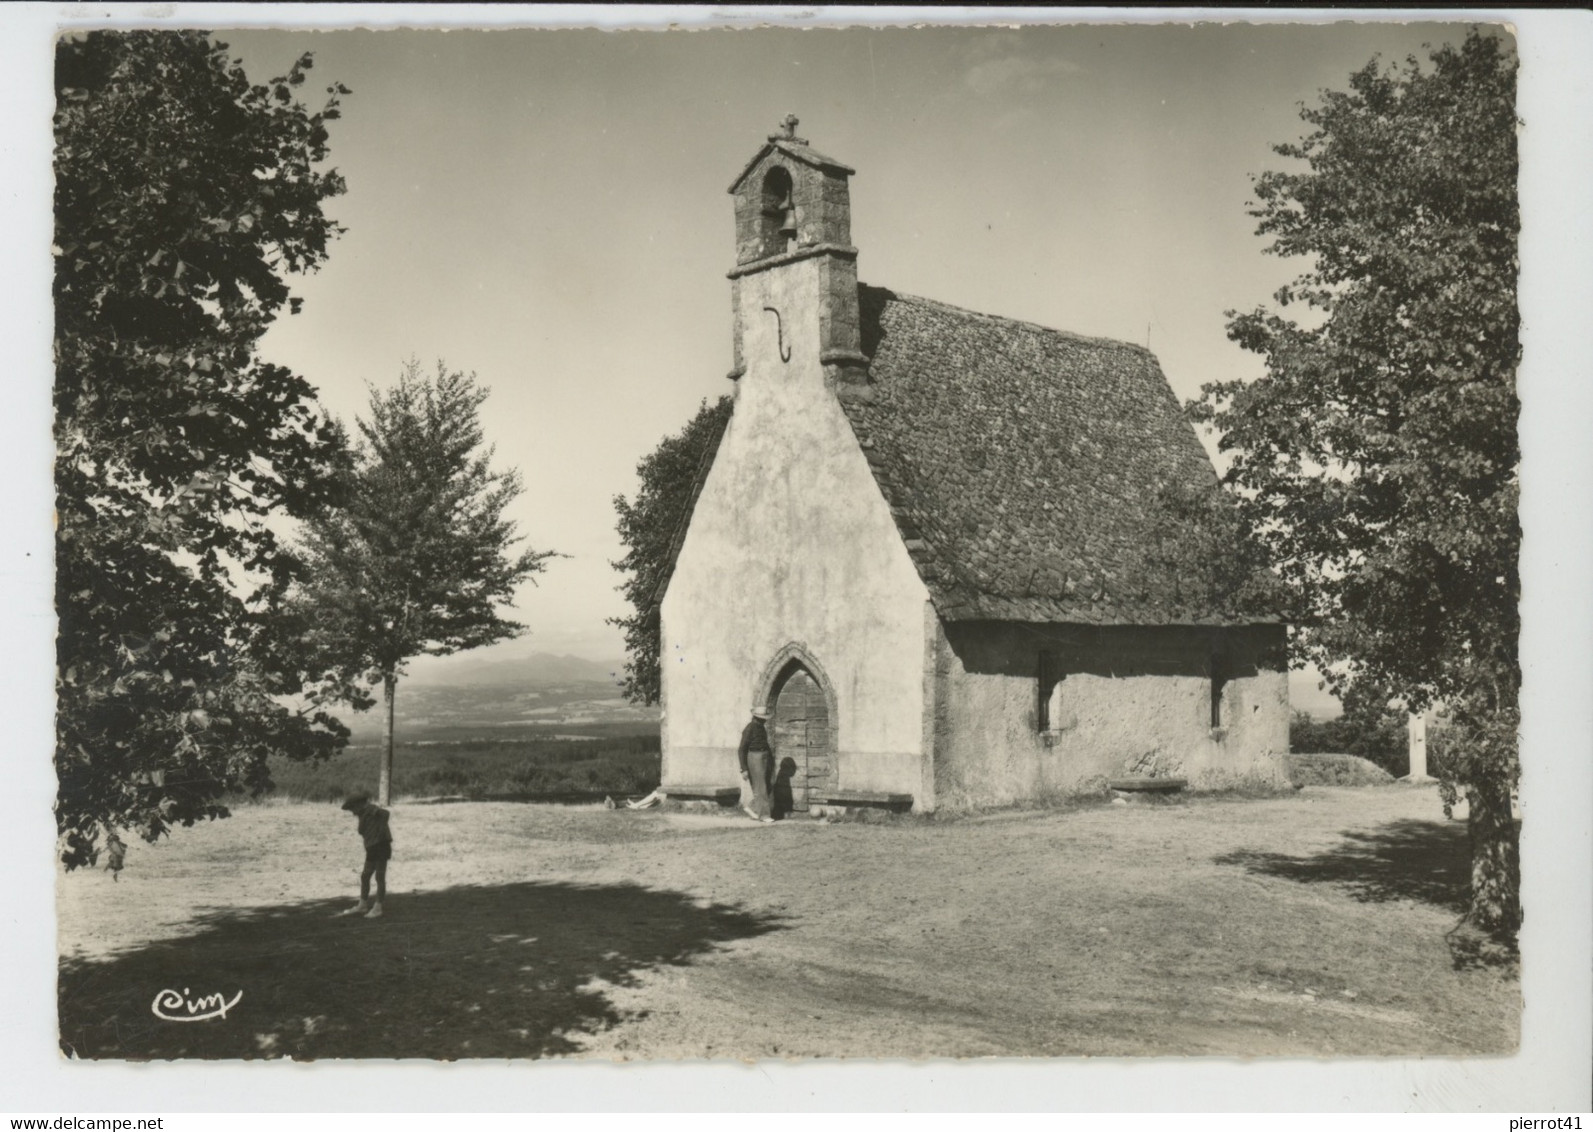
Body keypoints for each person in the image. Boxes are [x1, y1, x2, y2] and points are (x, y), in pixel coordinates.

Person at [336, 793, 392, 918]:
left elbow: (386, 814)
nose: (352, 812)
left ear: (359, 804)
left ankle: (378, 908)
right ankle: (363, 905)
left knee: (379, 878)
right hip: (372, 847)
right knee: (365, 876)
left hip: (381, 845)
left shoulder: (371, 809)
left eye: (353, 808)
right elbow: (362, 830)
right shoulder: (363, 814)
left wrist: (378, 825)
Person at [738, 706, 776, 823]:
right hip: (754, 757)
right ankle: (764, 815)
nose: (764, 720)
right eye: (762, 718)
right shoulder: (749, 728)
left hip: (764, 757)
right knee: (760, 786)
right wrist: (744, 768)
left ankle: (752, 807)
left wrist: (770, 759)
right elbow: (741, 749)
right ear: (756, 717)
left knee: (767, 784)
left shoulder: (761, 728)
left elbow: (765, 744)